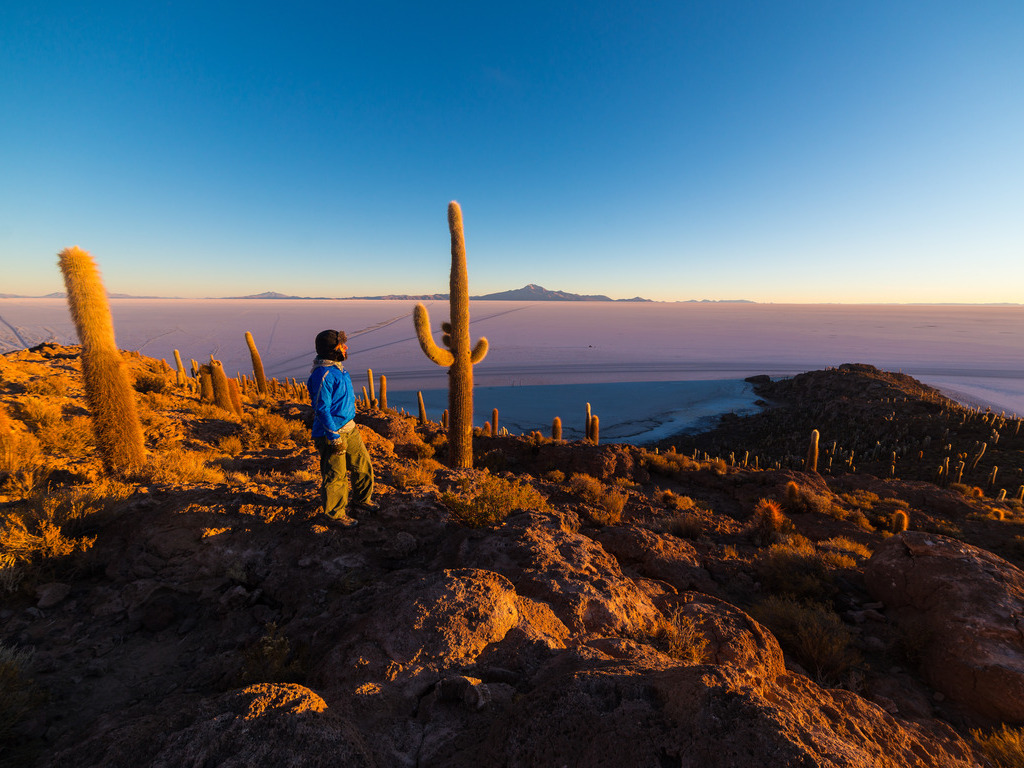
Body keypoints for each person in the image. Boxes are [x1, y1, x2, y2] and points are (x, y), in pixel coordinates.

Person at [307, 329, 375, 526]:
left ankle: (362, 500)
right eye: (341, 345)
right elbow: (321, 408)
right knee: (336, 475)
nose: (346, 348)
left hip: (349, 428)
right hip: (332, 433)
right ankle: (334, 515)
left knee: (363, 465)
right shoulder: (323, 374)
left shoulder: (338, 369)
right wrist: (333, 436)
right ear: (331, 350)